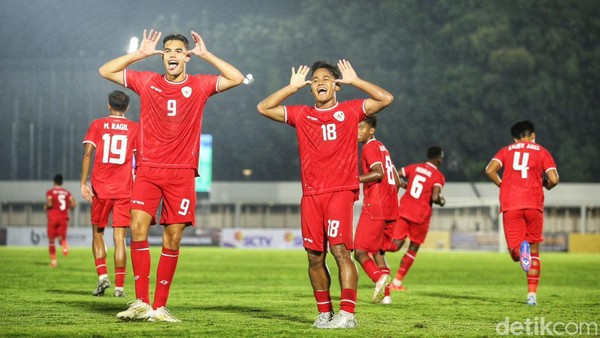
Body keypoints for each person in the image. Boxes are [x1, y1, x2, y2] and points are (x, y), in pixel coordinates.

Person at [99, 29, 244, 322]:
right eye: (168, 51)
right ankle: (141, 301)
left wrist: (208, 55)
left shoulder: (200, 85)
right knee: (137, 229)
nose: (173, 55)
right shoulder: (146, 80)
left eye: (179, 51)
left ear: (187, 57)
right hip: (149, 170)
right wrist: (140, 53)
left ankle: (160, 307)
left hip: (182, 174)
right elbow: (106, 70)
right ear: (162, 56)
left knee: (173, 237)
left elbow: (236, 78)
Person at [257, 60, 394, 329]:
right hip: (311, 195)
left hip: (339, 192)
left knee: (341, 251)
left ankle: (348, 314)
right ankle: (325, 313)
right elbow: (264, 107)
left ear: (336, 85)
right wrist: (291, 87)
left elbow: (385, 98)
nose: (320, 82)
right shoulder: (302, 114)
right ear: (311, 88)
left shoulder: (350, 111)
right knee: (313, 256)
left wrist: (356, 80)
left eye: (326, 79)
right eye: (315, 80)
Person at [485, 120, 559, 306]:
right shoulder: (542, 151)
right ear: (532, 135)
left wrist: (503, 185)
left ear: (515, 138)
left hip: (511, 205)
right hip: (534, 204)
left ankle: (520, 251)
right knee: (535, 251)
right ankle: (531, 296)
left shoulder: (506, 150)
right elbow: (554, 179)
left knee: (515, 254)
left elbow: (490, 170)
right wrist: (546, 185)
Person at [81, 90, 139, 298]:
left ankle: (103, 275)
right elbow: (139, 162)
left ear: (109, 105)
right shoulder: (135, 128)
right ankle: (120, 288)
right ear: (127, 107)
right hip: (125, 189)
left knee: (97, 232)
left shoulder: (97, 124)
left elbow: (88, 152)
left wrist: (83, 182)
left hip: (101, 188)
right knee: (120, 238)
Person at [354, 116, 400, 305]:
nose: (358, 131)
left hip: (376, 205)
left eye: (362, 127)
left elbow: (379, 173)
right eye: (357, 127)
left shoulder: (370, 147)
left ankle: (377, 278)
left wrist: (354, 179)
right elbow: (396, 180)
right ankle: (386, 296)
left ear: (371, 130)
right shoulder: (382, 147)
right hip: (391, 206)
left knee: (359, 251)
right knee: (379, 252)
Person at [389, 146, 446, 292]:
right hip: (420, 216)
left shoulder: (415, 167)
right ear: (438, 158)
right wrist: (441, 201)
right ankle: (396, 282)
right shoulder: (438, 176)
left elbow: (395, 173)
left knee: (395, 245)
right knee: (413, 247)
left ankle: (372, 249)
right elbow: (434, 197)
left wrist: (402, 184)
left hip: (404, 209)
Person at [44, 174, 76, 267]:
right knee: (61, 238)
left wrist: (46, 206)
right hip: (63, 217)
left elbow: (50, 204)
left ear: (54, 181)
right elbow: (73, 204)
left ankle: (54, 262)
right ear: (62, 182)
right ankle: (64, 244)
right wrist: (66, 207)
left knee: (51, 241)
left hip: (53, 218)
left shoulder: (50, 192)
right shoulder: (67, 192)